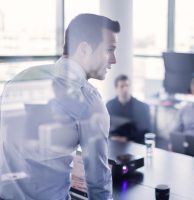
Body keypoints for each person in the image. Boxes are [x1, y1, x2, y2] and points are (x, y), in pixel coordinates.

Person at [0, 14, 120, 200]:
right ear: (84, 49)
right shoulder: (89, 101)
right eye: (109, 50)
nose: (113, 60)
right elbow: (98, 183)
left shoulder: (19, 79)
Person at [106, 74, 151, 144]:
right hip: (113, 142)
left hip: (134, 143)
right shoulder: (109, 105)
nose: (125, 89)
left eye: (127, 86)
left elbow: (146, 130)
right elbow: (105, 126)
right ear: (116, 89)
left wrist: (126, 138)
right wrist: (112, 137)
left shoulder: (141, 107)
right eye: (122, 86)